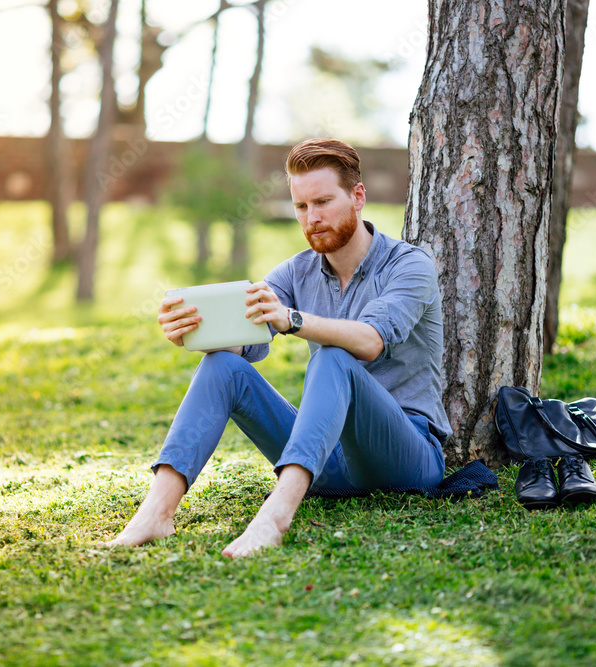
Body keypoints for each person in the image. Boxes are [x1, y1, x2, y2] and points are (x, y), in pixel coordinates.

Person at [104, 138, 451, 558]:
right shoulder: (294, 272)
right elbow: (244, 343)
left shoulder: (408, 265)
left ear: (358, 197)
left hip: (407, 457)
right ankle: (156, 513)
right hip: (329, 462)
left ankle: (276, 516)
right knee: (220, 366)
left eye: (323, 202)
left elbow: (370, 341)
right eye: (301, 207)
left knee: (334, 354)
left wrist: (294, 319)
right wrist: (195, 333)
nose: (312, 218)